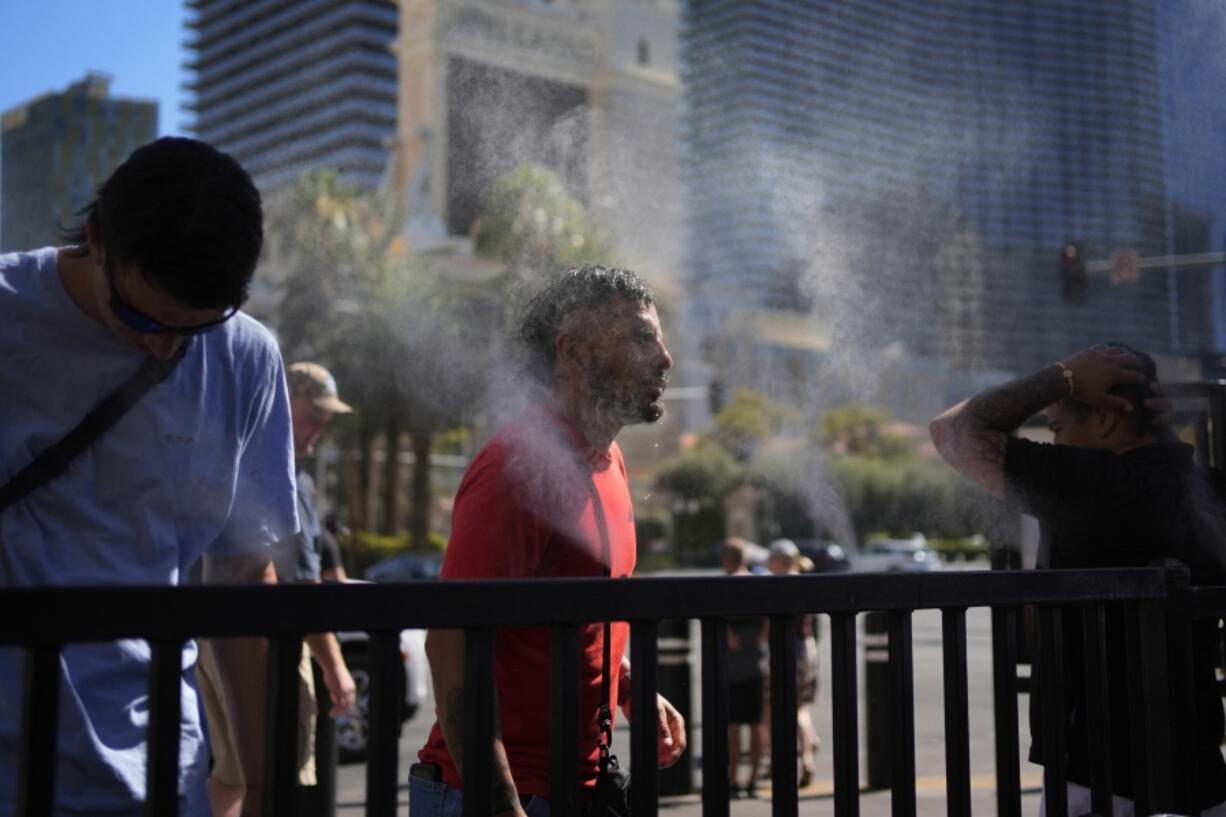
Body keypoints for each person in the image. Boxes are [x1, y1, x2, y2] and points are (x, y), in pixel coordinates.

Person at [0, 137, 297, 816]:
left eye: (195, 326)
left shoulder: (246, 357)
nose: (164, 347)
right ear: (98, 239)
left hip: (166, 773)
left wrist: (269, 790)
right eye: (140, 317)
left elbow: (247, 581)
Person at [412, 265, 687, 817]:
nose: (664, 358)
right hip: (494, 796)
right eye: (640, 337)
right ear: (573, 352)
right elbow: (453, 650)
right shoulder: (518, 466)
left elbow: (576, 612)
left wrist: (627, 685)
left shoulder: (610, 460)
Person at [929, 343, 1226, 816]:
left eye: (1057, 427)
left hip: (1099, 778)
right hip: (1202, 776)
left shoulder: (1088, 486)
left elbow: (952, 432)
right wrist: (1156, 424)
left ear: (1106, 419)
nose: (1056, 442)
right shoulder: (1211, 492)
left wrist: (1062, 377)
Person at [196, 361, 357, 817]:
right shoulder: (286, 476)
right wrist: (336, 667)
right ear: (285, 402)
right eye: (313, 415)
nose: (319, 429)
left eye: (327, 421)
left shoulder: (241, 457)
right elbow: (301, 586)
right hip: (269, 645)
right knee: (273, 774)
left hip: (217, 637)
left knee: (233, 773)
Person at [766, 539, 821, 789]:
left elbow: (769, 623)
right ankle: (808, 752)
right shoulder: (804, 580)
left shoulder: (778, 583)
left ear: (779, 560)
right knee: (802, 706)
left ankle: (791, 757)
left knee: (783, 705)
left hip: (787, 648)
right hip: (808, 647)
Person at [720, 537, 768, 798]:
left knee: (733, 726)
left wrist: (729, 636)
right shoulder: (755, 582)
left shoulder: (727, 584)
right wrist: (760, 637)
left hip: (732, 665)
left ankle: (732, 779)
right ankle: (753, 779)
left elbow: (721, 617)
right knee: (756, 723)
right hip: (755, 662)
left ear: (727, 560)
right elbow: (767, 618)